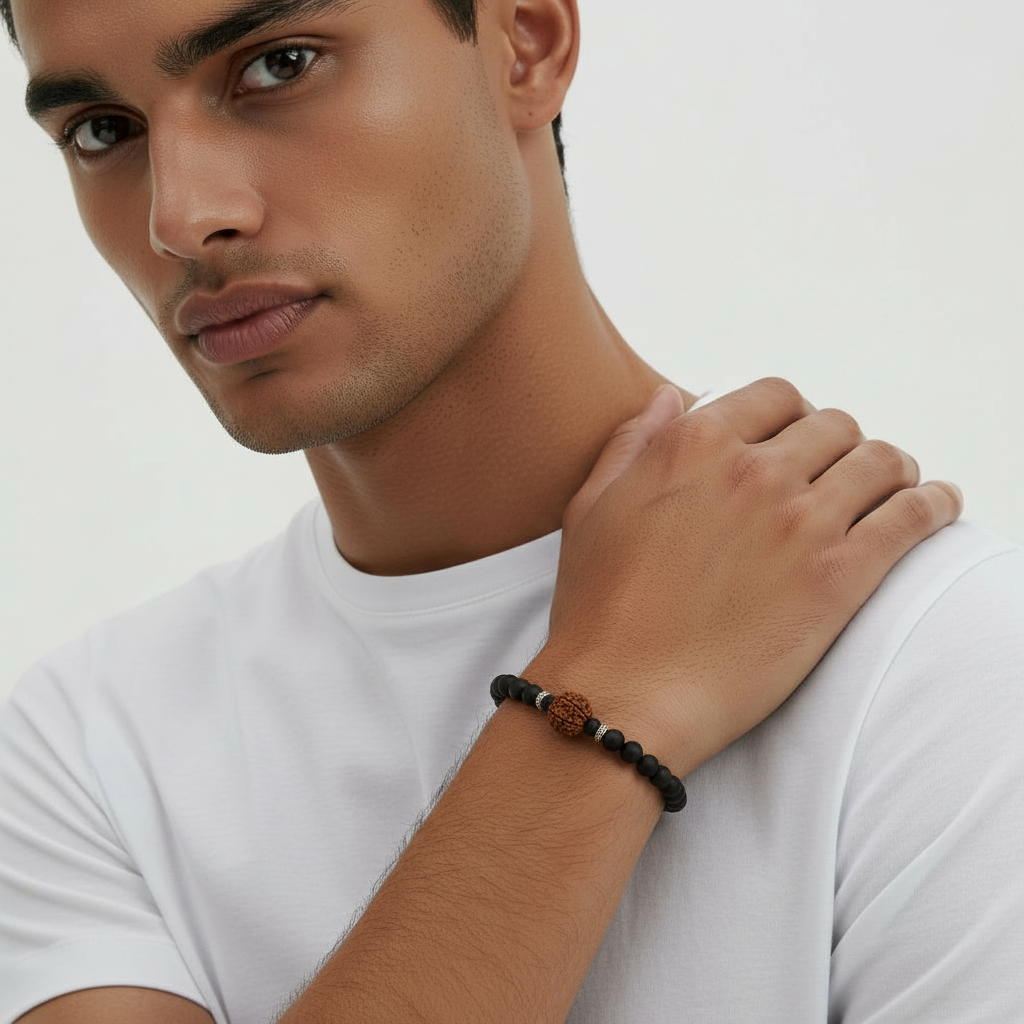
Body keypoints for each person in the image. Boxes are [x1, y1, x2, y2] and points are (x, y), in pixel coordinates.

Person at [0, 1, 1020, 1022]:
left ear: (526, 42)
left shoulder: (942, 664)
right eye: (102, 130)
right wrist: (603, 694)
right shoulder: (79, 751)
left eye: (279, 65)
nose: (180, 216)